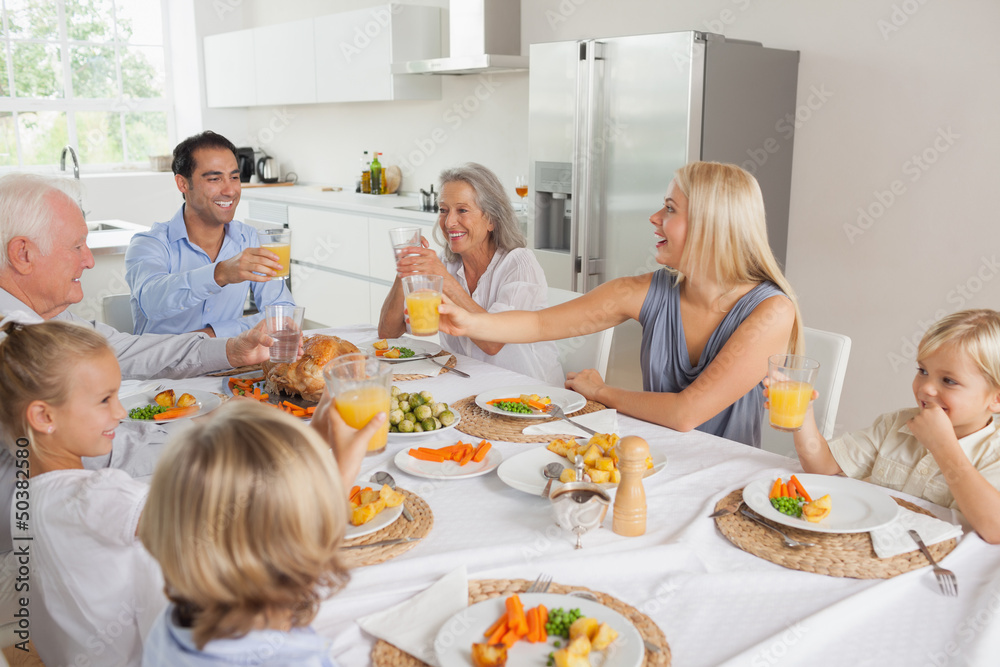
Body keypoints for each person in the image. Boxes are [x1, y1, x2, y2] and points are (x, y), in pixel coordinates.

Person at [0, 173, 273, 562]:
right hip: (26, 550)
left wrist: (231, 351)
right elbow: (97, 453)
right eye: (77, 246)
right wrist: (205, 429)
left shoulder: (38, 318)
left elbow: (128, 349)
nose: (89, 261)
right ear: (23, 254)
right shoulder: (15, 340)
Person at [437, 161, 803, 448]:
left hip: (723, 476)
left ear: (711, 225)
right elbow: (539, 325)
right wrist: (467, 322)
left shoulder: (771, 312)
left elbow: (685, 413)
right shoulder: (649, 291)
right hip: (655, 453)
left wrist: (602, 392)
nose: (654, 218)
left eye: (670, 209)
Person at [140, 399, 382, 666]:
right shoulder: (295, 659)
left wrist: (316, 448)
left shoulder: (175, 622)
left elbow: (256, 513)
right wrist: (338, 480)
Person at [0, 320, 166, 666]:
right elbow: (197, 519)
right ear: (44, 416)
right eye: (105, 400)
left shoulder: (23, 501)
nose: (120, 413)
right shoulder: (97, 495)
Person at [785, 309, 1000, 544]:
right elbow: (823, 465)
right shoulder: (895, 424)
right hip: (868, 549)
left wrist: (943, 446)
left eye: (949, 380)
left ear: (996, 399)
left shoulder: (994, 453)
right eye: (923, 371)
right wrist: (802, 413)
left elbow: (994, 529)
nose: (926, 388)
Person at [377, 162, 563, 386]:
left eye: (462, 210)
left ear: (492, 220)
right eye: (444, 210)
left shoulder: (519, 264)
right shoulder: (446, 264)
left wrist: (444, 280)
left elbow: (492, 344)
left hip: (527, 392)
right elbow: (388, 333)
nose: (449, 222)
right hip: (468, 386)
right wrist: (406, 270)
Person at [126, 130, 295, 336]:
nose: (230, 190)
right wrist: (219, 273)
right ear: (183, 183)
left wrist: (212, 336)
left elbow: (283, 313)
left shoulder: (250, 239)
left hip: (227, 364)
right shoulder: (149, 244)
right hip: (163, 366)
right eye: (215, 179)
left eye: (234, 177)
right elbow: (151, 302)